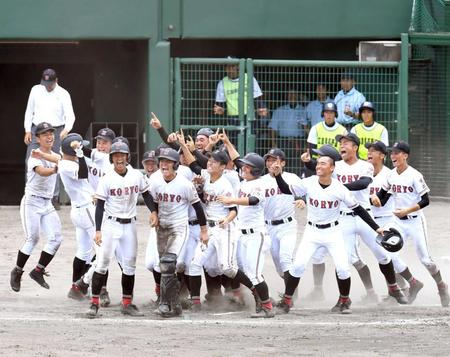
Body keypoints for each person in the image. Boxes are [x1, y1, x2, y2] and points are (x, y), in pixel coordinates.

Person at [272, 148, 386, 314]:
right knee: (297, 266)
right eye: (317, 163)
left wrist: (376, 228)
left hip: (333, 233)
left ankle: (344, 301)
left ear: (332, 168)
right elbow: (286, 189)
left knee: (343, 268)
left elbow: (359, 209)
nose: (318, 166)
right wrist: (278, 175)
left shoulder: (340, 188)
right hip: (312, 232)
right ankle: (287, 301)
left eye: (323, 163)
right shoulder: (309, 182)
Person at [303, 133, 407, 305]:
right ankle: (345, 298)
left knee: (382, 254)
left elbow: (363, 183)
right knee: (344, 259)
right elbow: (318, 169)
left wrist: (337, 187)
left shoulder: (365, 166)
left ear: (355, 147)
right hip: (344, 218)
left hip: (364, 215)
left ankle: (393, 287)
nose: (341, 145)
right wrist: (308, 163)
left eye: (345, 143)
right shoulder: (335, 166)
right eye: (340, 143)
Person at [372, 141, 450, 307]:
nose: (393, 156)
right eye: (392, 153)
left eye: (397, 153)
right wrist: (376, 199)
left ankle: (441, 286)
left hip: (415, 221)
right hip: (398, 222)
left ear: (405, 156)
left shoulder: (415, 175)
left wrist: (407, 211)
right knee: (387, 251)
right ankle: (413, 283)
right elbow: (383, 197)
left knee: (426, 260)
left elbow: (425, 200)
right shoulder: (391, 175)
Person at [86, 141, 155, 318]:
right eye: (116, 156)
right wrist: (98, 230)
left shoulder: (136, 175)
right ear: (111, 159)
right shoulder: (107, 178)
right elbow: (100, 205)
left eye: (122, 155)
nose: (119, 159)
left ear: (127, 157)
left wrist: (154, 211)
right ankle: (94, 303)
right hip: (110, 225)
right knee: (102, 263)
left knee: (130, 265)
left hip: (130, 224)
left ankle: (127, 303)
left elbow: (146, 194)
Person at [217, 131, 274, 318]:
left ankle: (267, 306)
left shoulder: (259, 183)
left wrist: (230, 199)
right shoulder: (246, 178)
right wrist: (227, 143)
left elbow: (254, 200)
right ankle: (260, 298)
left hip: (256, 235)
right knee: (241, 270)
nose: (243, 168)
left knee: (255, 273)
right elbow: (238, 159)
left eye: (247, 167)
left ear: (254, 171)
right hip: (241, 233)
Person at [148, 147, 208, 317]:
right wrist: (153, 212)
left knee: (168, 263)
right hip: (162, 228)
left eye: (167, 162)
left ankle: (165, 304)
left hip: (179, 228)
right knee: (164, 266)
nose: (163, 165)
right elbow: (150, 200)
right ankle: (175, 304)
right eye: (161, 161)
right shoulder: (155, 181)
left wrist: (204, 231)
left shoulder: (184, 184)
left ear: (175, 164)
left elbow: (198, 208)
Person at [366, 141, 423, 303]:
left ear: (382, 156)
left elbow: (382, 201)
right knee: (384, 258)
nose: (369, 153)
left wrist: (373, 198)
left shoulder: (389, 175)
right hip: (371, 221)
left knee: (389, 255)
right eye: (368, 150)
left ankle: (409, 285)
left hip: (387, 220)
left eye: (373, 151)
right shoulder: (365, 171)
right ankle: (402, 287)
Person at [10, 122, 62, 292]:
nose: (49, 136)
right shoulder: (34, 155)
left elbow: (66, 162)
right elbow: (41, 171)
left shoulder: (56, 155)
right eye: (45, 134)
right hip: (31, 202)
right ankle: (17, 271)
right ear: (37, 138)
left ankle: (38, 271)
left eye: (51, 133)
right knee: (32, 238)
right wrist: (57, 168)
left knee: (56, 238)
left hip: (47, 202)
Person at [24, 69, 76, 209]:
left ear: (56, 81)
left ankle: (54, 197)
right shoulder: (35, 90)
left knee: (56, 160)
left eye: (50, 83)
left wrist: (66, 130)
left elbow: (70, 115)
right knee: (31, 158)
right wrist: (27, 130)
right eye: (45, 83)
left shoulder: (63, 94)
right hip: (37, 129)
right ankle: (30, 195)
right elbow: (29, 111)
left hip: (56, 130)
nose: (48, 86)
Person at [262, 148, 300, 298]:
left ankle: (289, 297)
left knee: (286, 259)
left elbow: (302, 193)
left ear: (283, 163)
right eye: (269, 160)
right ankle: (293, 288)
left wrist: (301, 200)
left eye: (275, 160)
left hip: (288, 225)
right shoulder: (261, 181)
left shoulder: (292, 178)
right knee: (279, 268)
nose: (271, 163)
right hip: (269, 227)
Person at [269, 90, 308, 170]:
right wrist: (273, 145)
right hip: (283, 142)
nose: (292, 96)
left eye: (294, 94)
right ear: (286, 96)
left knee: (297, 165)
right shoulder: (279, 110)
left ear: (298, 96)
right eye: (290, 94)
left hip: (298, 142)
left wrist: (306, 145)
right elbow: (273, 128)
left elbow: (307, 128)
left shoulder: (304, 110)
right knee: (282, 165)